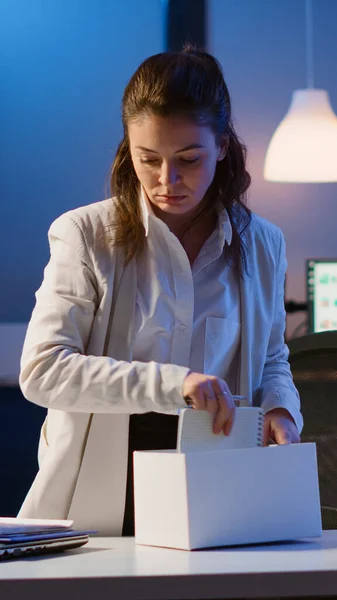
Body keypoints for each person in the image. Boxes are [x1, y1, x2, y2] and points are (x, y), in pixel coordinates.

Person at [18, 46, 302, 535]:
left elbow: (272, 354)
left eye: (188, 159)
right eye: (147, 159)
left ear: (222, 147)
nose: (166, 181)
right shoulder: (84, 234)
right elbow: (42, 372)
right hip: (100, 487)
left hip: (218, 478)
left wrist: (280, 406)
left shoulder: (263, 243)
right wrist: (177, 385)